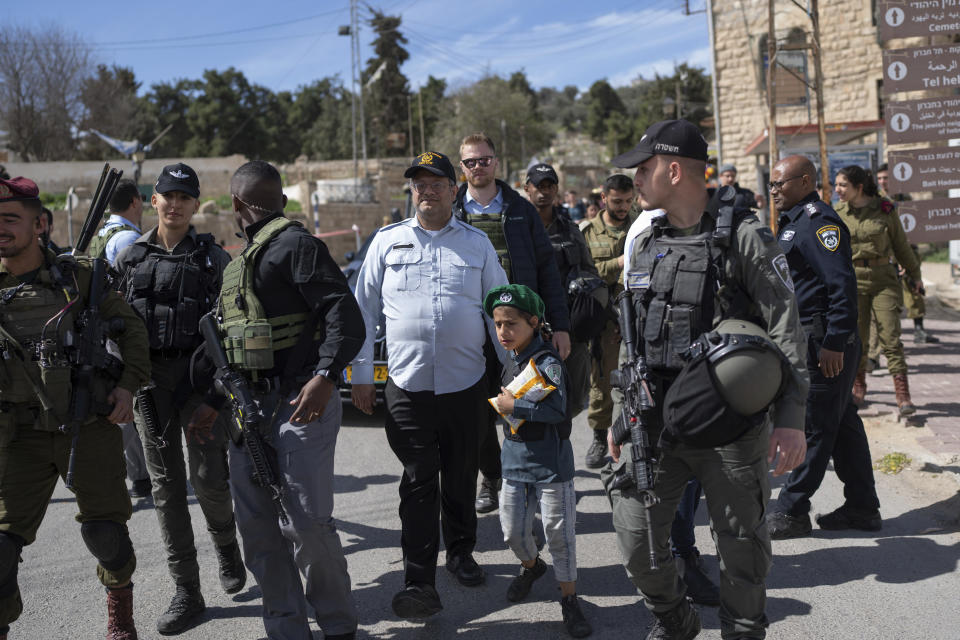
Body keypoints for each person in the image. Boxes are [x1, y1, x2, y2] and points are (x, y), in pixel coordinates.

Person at [603, 119, 809, 640]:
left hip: (730, 423)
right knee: (636, 540)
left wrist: (790, 420)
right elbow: (632, 336)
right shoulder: (646, 239)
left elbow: (786, 327)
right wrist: (617, 416)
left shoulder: (743, 237)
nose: (636, 182)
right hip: (655, 421)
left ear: (674, 171)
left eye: (644, 170)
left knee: (742, 548)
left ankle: (742, 631)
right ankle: (676, 617)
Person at [200, 160, 363, 640]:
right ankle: (287, 629)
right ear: (283, 200)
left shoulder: (298, 246)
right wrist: (213, 398)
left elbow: (345, 318)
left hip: (299, 403)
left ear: (234, 204)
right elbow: (228, 345)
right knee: (259, 531)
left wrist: (326, 376)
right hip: (245, 411)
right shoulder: (237, 267)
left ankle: (338, 627)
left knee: (307, 524)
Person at [352, 151, 508, 619]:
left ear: (453, 189)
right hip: (408, 384)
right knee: (419, 478)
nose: (427, 189)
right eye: (419, 183)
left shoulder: (476, 244)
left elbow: (498, 309)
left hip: (466, 384)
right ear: (412, 191)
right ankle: (418, 577)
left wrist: (514, 375)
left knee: (460, 473)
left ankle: (460, 552)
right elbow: (362, 311)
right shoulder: (386, 242)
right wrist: (360, 374)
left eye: (436, 181)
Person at [0, 176, 151, 640]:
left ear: (40, 224)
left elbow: (134, 333)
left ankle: (119, 604)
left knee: (105, 536)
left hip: (85, 425)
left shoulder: (80, 277)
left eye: (9, 220)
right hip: (18, 434)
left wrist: (127, 389)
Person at [114, 163, 244, 634]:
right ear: (153, 200)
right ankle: (187, 589)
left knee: (209, 479)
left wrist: (217, 396)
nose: (175, 204)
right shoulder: (129, 257)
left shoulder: (213, 259)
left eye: (185, 197)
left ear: (195, 204)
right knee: (167, 489)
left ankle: (227, 547)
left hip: (199, 383)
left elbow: (231, 332)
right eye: (167, 195)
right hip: (151, 385)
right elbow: (114, 326)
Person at [452, 133, 570, 515]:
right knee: (481, 409)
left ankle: (540, 478)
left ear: (496, 162)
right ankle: (493, 477)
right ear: (462, 166)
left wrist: (561, 325)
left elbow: (547, 269)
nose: (478, 167)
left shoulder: (521, 209)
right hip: (469, 327)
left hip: (518, 329)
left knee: (530, 399)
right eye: (471, 162)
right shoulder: (452, 208)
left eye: (485, 160)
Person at [765, 155, 881, 539]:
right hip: (810, 337)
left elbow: (841, 285)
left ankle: (792, 509)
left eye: (779, 184)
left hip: (824, 343)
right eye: (771, 184)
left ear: (803, 181)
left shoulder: (818, 223)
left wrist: (835, 342)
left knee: (815, 424)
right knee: (842, 422)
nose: (773, 191)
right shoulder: (794, 222)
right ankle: (862, 507)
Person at [486, 284, 592, 638]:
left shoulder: (548, 362)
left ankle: (570, 599)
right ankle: (531, 566)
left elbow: (556, 410)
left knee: (559, 536)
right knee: (512, 532)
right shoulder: (511, 357)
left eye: (511, 324)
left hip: (550, 465)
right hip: (514, 461)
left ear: (533, 322)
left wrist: (514, 407)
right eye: (498, 324)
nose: (503, 331)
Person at [834, 165, 923, 417]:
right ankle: (858, 386)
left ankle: (903, 395)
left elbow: (901, 246)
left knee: (890, 337)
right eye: (837, 185)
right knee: (857, 339)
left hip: (884, 279)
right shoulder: (837, 212)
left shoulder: (885, 209)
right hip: (853, 282)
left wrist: (915, 276)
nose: (838, 190)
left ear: (858, 187)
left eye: (843, 185)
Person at [88, 178, 152, 499]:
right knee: (131, 401)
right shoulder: (129, 237)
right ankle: (125, 472)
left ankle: (140, 475)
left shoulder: (101, 235)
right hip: (123, 329)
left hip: (104, 327)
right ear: (135, 202)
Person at [523, 162, 598, 417]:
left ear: (557, 189)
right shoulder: (516, 230)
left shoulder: (570, 229)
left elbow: (589, 271)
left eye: (549, 186)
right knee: (530, 397)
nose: (544, 192)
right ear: (527, 189)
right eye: (538, 186)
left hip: (568, 326)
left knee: (575, 398)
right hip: (527, 329)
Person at [581, 174, 637, 469]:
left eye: (629, 201)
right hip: (603, 320)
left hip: (636, 316)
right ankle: (600, 437)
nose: (624, 207)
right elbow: (585, 274)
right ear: (604, 198)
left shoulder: (641, 225)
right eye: (617, 201)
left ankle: (634, 434)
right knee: (602, 382)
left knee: (638, 381)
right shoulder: (588, 232)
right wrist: (617, 264)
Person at [876, 163, 937, 345]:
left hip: (908, 249)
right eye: (879, 178)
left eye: (886, 178)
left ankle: (919, 328)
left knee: (915, 290)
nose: (883, 182)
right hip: (888, 254)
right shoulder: (876, 201)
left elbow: (913, 224)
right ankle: (890, 337)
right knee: (890, 296)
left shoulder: (904, 197)